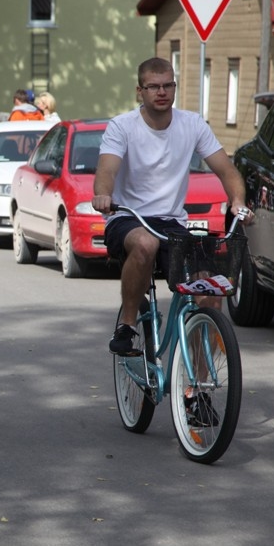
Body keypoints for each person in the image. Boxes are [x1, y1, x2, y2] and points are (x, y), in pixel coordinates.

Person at [90, 57, 251, 359]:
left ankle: (195, 389)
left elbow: (227, 171)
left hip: (173, 223)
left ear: (175, 86)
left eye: (168, 85)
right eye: (153, 86)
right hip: (127, 217)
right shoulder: (122, 127)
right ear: (140, 90)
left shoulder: (191, 124)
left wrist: (238, 201)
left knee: (210, 293)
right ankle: (126, 326)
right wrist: (103, 195)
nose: (161, 92)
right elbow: (107, 171)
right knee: (145, 243)